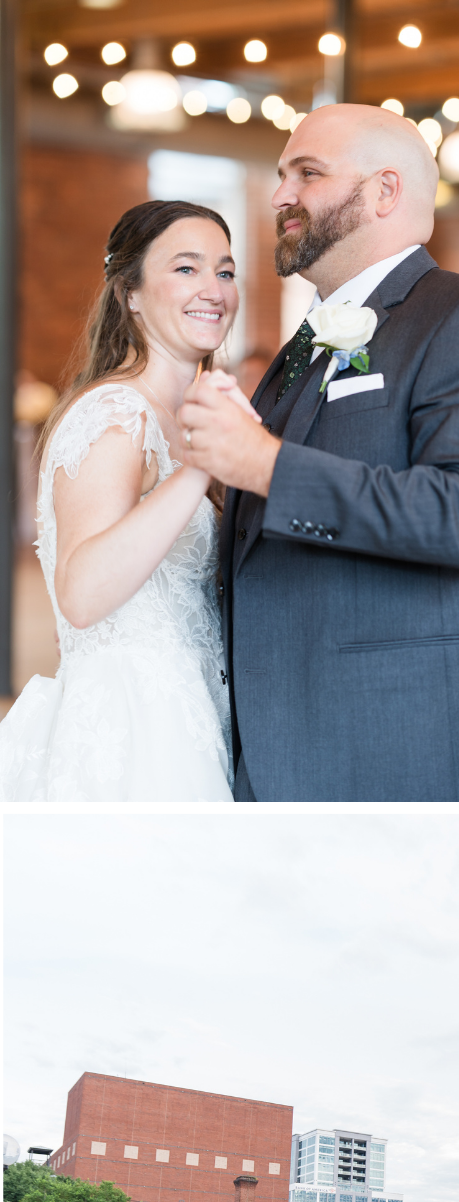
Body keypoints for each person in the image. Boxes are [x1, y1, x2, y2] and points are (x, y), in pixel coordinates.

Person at [177, 104, 459, 803]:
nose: (281, 195)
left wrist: (262, 465)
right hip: (271, 745)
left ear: (385, 192)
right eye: (281, 175)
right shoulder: (302, 346)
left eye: (307, 173)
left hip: (392, 749)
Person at [0, 200, 246, 802]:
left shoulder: (177, 414)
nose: (212, 289)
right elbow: (81, 596)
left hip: (193, 709)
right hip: (135, 727)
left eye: (225, 270)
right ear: (129, 293)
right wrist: (198, 467)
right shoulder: (114, 415)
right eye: (185, 269)